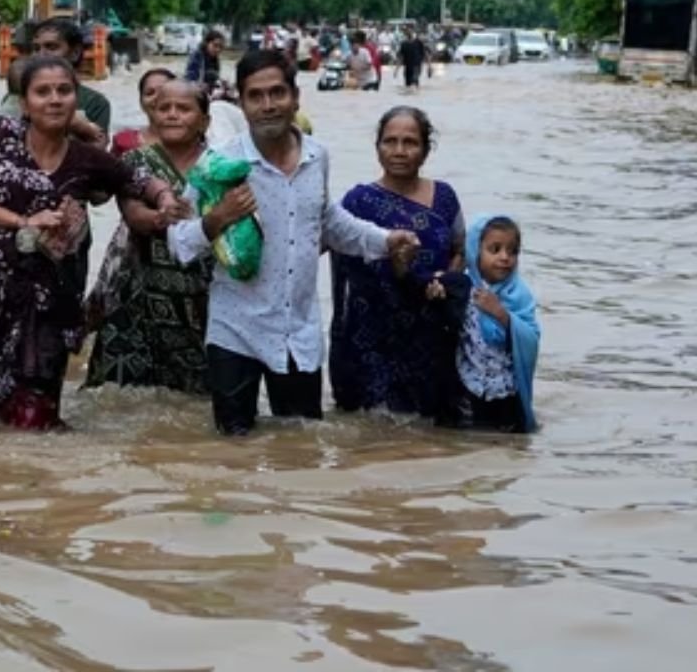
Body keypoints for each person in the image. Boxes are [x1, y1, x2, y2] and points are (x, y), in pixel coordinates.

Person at [168, 49, 421, 436]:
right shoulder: (217, 165)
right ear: (241, 102)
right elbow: (179, 242)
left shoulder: (317, 156)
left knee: (300, 446)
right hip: (235, 328)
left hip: (297, 331)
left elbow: (328, 222)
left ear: (295, 97)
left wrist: (386, 240)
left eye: (277, 93)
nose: (268, 105)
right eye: (256, 96)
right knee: (231, 450)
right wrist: (218, 218)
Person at [0, 56, 179, 431]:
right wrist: (22, 222)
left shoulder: (86, 158)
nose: (54, 99)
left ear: (76, 99)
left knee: (37, 423)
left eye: (64, 91)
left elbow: (138, 178)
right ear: (24, 103)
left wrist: (164, 198)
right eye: (42, 92)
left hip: (49, 306)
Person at [329, 106, 468, 420]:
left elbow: (460, 249)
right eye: (390, 141)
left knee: (429, 428)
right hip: (371, 340)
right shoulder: (358, 202)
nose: (399, 151)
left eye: (410, 142)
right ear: (377, 147)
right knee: (374, 431)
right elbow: (321, 240)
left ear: (426, 150)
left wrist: (444, 280)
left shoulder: (445, 197)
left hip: (430, 334)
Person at [85, 80, 213, 394]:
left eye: (183, 109)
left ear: (204, 120)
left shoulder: (220, 165)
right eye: (163, 108)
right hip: (137, 296)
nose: (171, 115)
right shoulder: (135, 161)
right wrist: (160, 218)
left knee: (198, 403)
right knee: (120, 399)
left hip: (202, 300)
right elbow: (133, 214)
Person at [443, 215, 541, 433]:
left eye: (512, 251)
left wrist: (502, 315)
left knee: (508, 440)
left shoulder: (519, 294)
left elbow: (531, 339)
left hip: (506, 390)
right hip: (469, 386)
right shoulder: (463, 288)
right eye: (495, 249)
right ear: (476, 252)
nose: (505, 258)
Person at [31, 18, 111, 148]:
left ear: (75, 53)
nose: (41, 55)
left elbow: (98, 154)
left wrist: (76, 125)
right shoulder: (21, 96)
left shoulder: (94, 103)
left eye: (51, 47)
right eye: (36, 48)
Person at [109, 67, 176, 158]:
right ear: (141, 102)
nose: (156, 97)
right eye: (149, 93)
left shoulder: (194, 144)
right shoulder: (124, 142)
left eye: (163, 92)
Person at [395, 27, 429, 91]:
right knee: (408, 85)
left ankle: (416, 97)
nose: (409, 33)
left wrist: (429, 66)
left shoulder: (418, 42)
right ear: (405, 34)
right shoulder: (404, 44)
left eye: (410, 32)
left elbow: (425, 54)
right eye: (407, 32)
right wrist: (396, 70)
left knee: (414, 82)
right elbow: (401, 58)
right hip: (407, 67)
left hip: (416, 66)